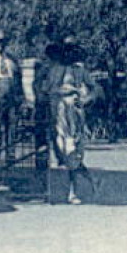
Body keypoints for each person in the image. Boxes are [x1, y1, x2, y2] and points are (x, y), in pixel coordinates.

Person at [51, 39, 95, 204]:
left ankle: (73, 192)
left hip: (76, 111)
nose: (70, 53)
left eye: (73, 50)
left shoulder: (80, 70)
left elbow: (93, 88)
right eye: (67, 50)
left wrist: (85, 99)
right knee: (65, 150)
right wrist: (64, 91)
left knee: (75, 149)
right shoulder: (57, 70)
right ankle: (82, 178)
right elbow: (48, 89)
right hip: (61, 110)